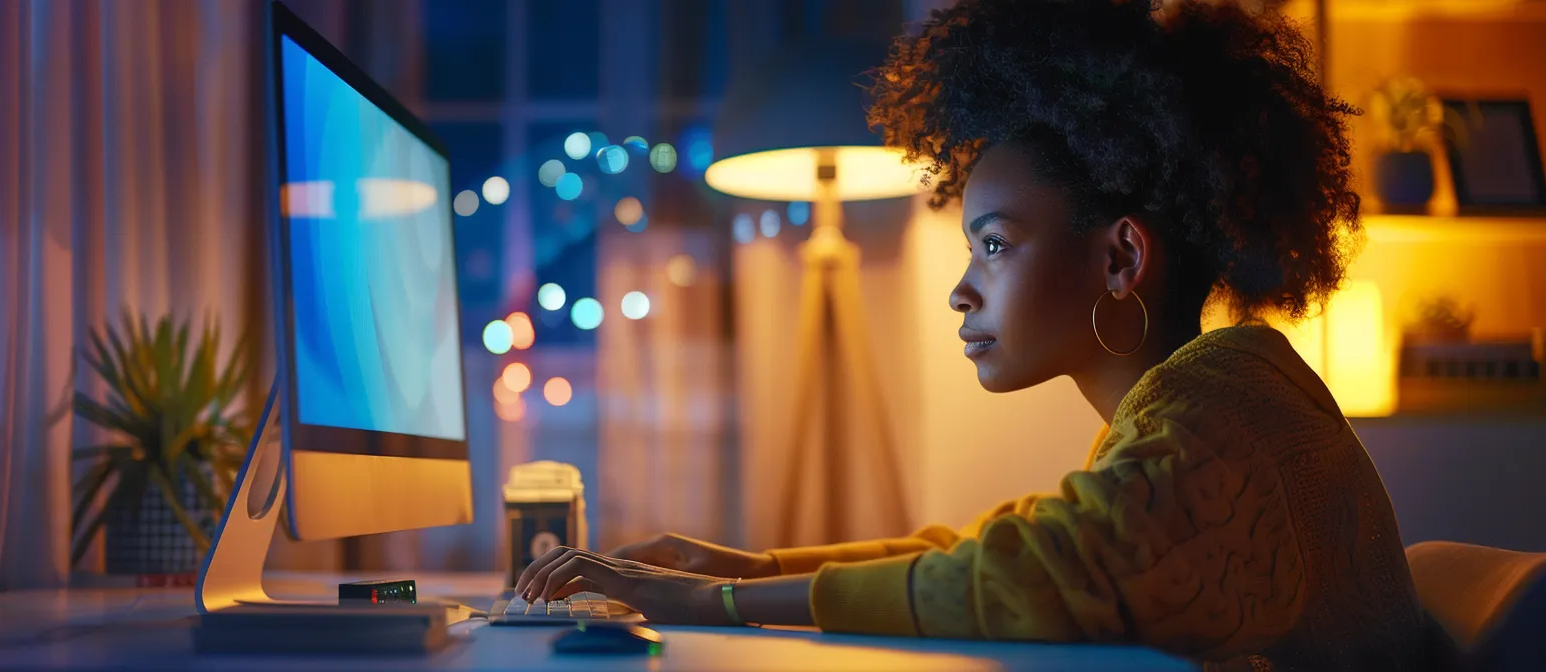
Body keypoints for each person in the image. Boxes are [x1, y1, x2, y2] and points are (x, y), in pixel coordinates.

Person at [515, 0, 1433, 668]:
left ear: (1120, 260)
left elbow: (1029, 572)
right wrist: (757, 567)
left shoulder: (1226, 416)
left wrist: (713, 601)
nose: (961, 290)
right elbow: (1013, 542)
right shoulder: (1205, 404)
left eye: (993, 245)